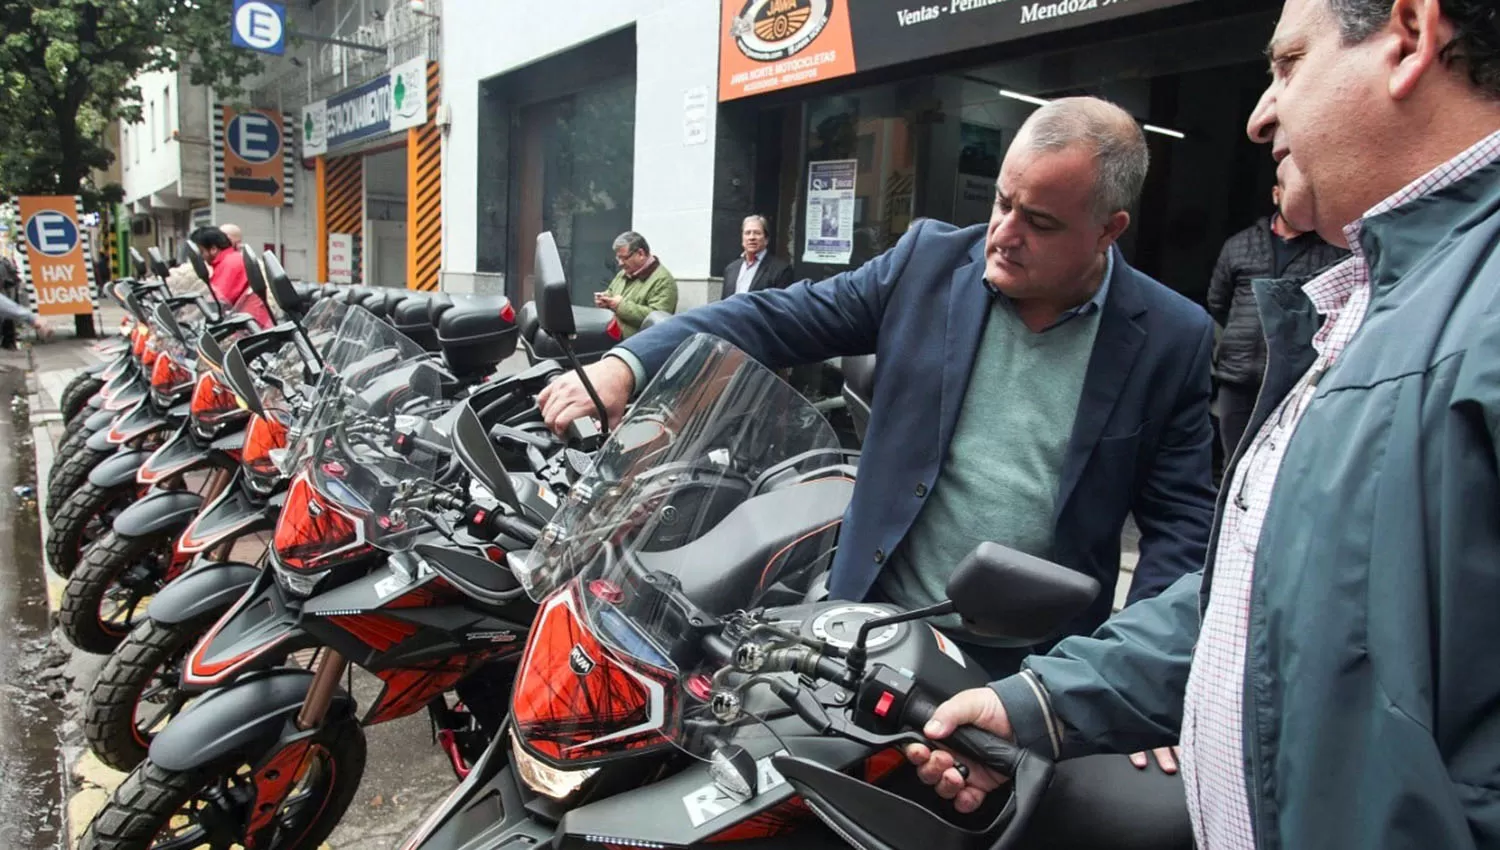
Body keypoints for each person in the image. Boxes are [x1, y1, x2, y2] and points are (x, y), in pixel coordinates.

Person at [904, 3, 1500, 848]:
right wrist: (1036, 704)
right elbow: (1263, 602)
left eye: (1288, 63)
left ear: (1409, 35)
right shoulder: (1380, 309)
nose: (1260, 114)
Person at [541, 97, 1217, 682]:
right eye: (1002, 202)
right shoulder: (927, 263)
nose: (1003, 235)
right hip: (870, 623)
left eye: (1039, 223)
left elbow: (1182, 528)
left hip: (1037, 667)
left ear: (1109, 229)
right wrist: (628, 365)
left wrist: (1133, 674)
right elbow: (774, 317)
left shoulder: (1172, 337)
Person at [1206, 185, 1347, 457]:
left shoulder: (1330, 252)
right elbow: (1218, 302)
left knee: (1278, 461)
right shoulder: (1240, 244)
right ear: (1275, 194)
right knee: (1232, 461)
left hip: (1293, 379)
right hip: (1239, 373)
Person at [594, 231, 677, 337]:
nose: (620, 263)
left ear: (641, 254)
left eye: (624, 258)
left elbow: (658, 319)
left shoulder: (663, 280)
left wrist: (620, 306)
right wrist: (605, 299)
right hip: (615, 339)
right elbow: (612, 291)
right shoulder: (625, 272)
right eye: (618, 258)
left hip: (639, 346)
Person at [188, 227, 272, 328]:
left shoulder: (231, 263)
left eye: (201, 252)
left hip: (250, 329)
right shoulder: (227, 261)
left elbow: (218, 302)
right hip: (244, 323)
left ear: (213, 249)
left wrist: (190, 317)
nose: (200, 258)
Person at [724, 215, 796, 297]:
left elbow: (780, 306)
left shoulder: (781, 271)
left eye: (757, 233)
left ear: (766, 239)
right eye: (747, 233)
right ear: (742, 238)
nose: (751, 237)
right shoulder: (731, 269)